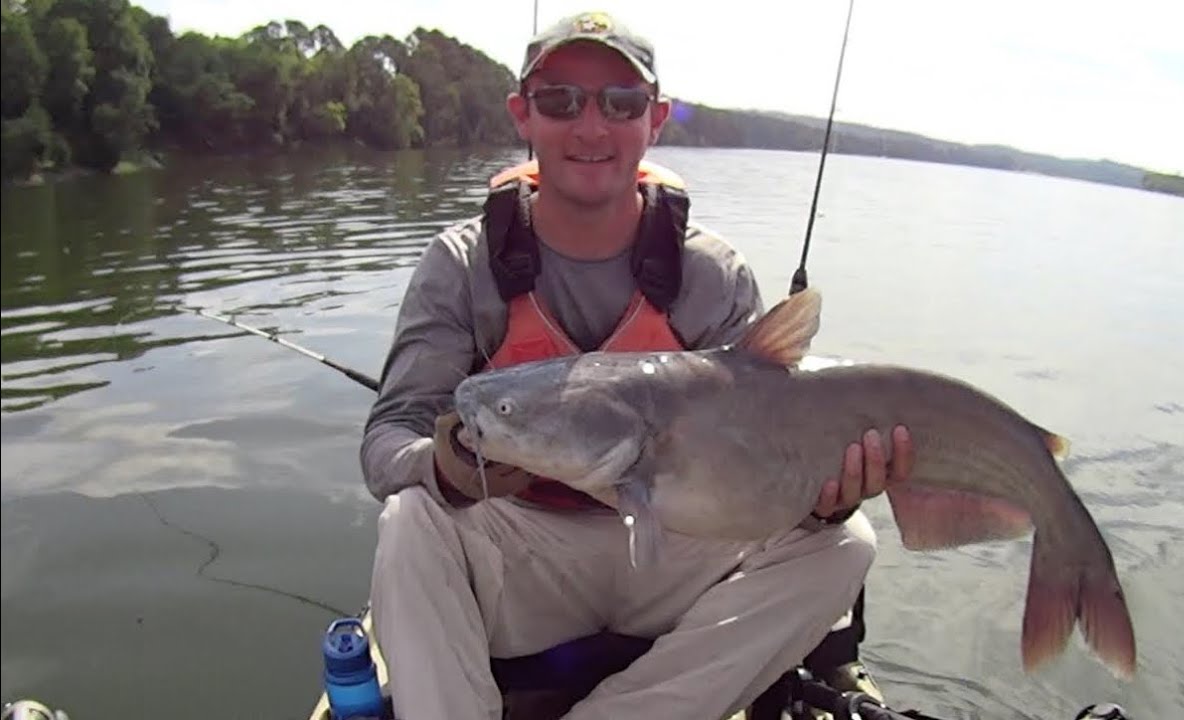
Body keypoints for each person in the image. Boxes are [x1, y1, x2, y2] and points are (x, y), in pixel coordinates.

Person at [360, 10, 913, 720]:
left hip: (677, 550)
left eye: (620, 103)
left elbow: (764, 467)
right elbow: (386, 443)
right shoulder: (462, 264)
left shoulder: (711, 275)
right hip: (522, 554)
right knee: (411, 519)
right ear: (523, 114)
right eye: (561, 100)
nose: (591, 127)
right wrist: (444, 468)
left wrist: (822, 499)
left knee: (842, 546)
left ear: (655, 119)